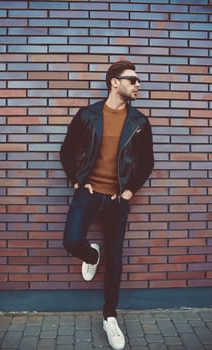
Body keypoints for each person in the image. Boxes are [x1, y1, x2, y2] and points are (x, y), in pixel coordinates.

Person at [60, 60, 154, 350]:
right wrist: (77, 181)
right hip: (88, 193)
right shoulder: (88, 115)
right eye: (133, 80)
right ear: (115, 82)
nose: (138, 84)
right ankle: (90, 254)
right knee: (71, 241)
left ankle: (109, 316)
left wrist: (128, 192)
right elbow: (66, 150)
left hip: (117, 199)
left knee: (115, 258)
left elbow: (147, 163)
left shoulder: (139, 122)